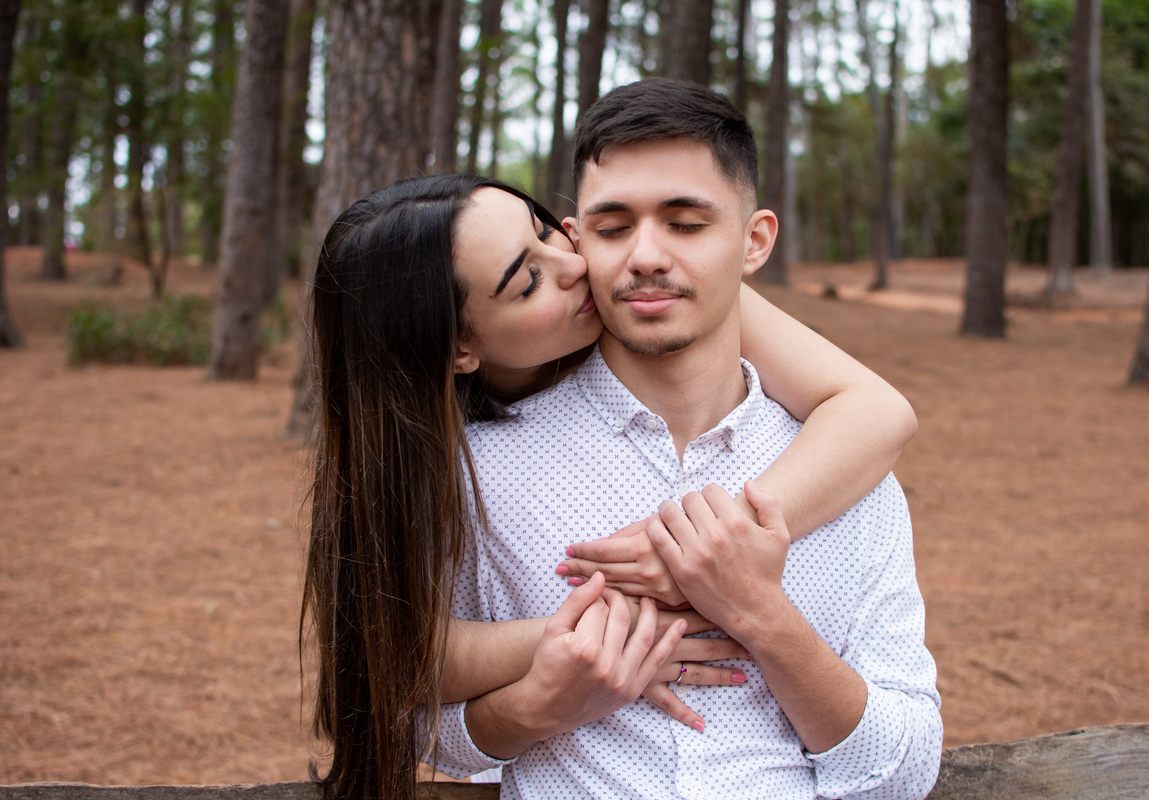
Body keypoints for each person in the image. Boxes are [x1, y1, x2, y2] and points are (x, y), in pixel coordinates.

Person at [303, 109, 919, 800]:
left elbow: (880, 411)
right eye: (527, 280)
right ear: (459, 350)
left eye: (549, 232)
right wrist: (558, 676)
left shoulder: (827, 449)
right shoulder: (463, 471)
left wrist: (722, 558)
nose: (577, 265)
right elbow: (397, 663)